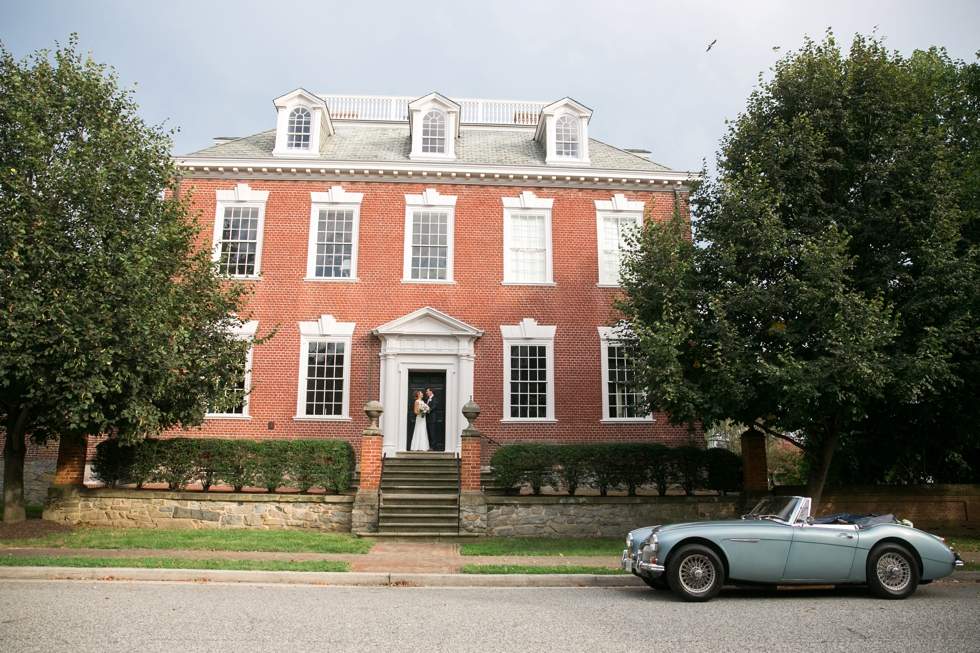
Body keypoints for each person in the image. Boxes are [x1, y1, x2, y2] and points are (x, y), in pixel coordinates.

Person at [425, 387, 440, 451]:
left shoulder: (435, 399)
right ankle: (429, 446)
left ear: (431, 391)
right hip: (427, 419)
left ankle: (433, 447)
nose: (426, 392)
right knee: (428, 433)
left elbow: (434, 407)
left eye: (427, 391)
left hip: (432, 419)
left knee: (432, 434)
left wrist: (426, 410)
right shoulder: (427, 399)